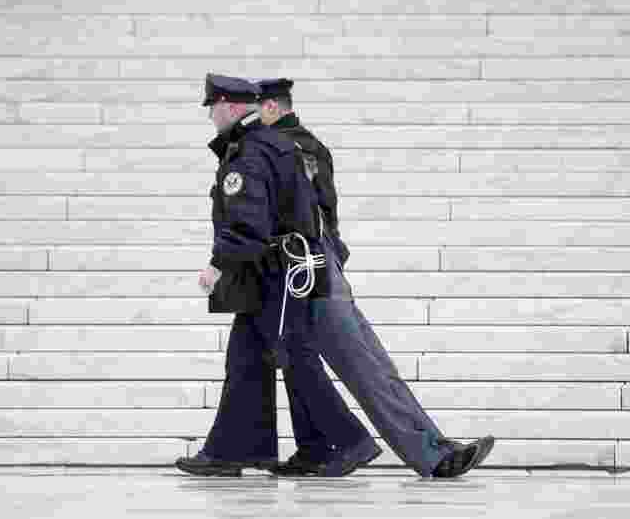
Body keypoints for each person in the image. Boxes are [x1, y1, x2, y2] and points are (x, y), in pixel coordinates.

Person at [256, 77, 496, 478]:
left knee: (364, 365)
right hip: (312, 269)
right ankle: (324, 450)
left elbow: (306, 216)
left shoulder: (288, 148)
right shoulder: (302, 145)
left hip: (307, 270)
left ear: (270, 108)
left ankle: (433, 454)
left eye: (255, 110)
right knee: (314, 363)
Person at [174, 74, 379, 477]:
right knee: (247, 359)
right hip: (273, 270)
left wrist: (218, 265)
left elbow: (249, 224)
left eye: (212, 108)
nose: (210, 116)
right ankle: (239, 450)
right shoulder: (270, 144)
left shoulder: (250, 152)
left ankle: (346, 442)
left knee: (295, 355)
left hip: (275, 271)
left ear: (229, 106)